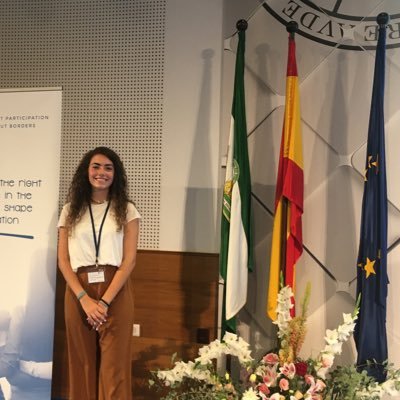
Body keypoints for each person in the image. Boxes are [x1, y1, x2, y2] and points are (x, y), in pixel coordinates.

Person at [57, 146, 140, 400]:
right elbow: (63, 260)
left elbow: (130, 261)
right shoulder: (70, 210)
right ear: (86, 171)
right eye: (96, 166)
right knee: (81, 364)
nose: (101, 172)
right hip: (78, 290)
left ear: (115, 174)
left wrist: (103, 302)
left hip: (115, 289)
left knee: (115, 367)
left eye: (108, 167)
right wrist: (84, 298)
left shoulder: (126, 210)